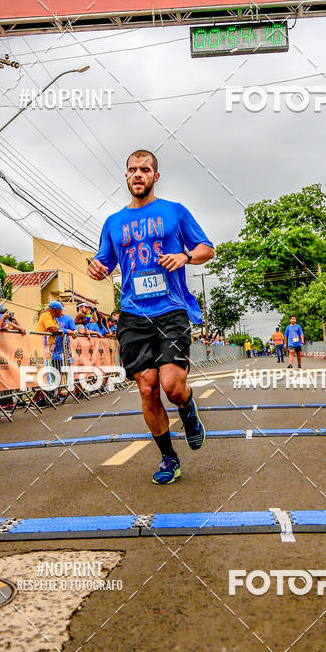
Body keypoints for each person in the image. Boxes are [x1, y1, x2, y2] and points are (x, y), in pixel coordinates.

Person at [88, 149, 214, 484]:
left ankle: (187, 409)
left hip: (171, 309)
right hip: (133, 314)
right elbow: (103, 263)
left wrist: (184, 256)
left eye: (145, 169)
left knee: (172, 386)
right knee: (147, 388)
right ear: (126, 176)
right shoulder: (113, 222)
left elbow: (207, 248)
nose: (138, 174)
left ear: (155, 176)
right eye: (132, 170)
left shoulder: (174, 212)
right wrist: (95, 268)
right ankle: (168, 457)